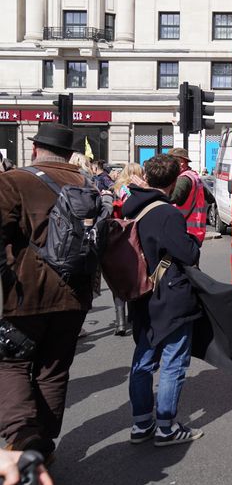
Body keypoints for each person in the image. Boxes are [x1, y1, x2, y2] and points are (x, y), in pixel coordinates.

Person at [0, 123, 94, 460]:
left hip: (26, 293)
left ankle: (22, 437)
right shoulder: (87, 182)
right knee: (54, 369)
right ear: (69, 154)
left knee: (11, 363)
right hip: (75, 293)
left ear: (36, 149)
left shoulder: (14, 181)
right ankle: (45, 445)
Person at [123, 154, 204, 447]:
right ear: (173, 183)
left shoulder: (132, 207)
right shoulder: (167, 213)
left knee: (143, 361)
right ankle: (166, 427)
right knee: (173, 363)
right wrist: (193, 241)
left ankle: (141, 422)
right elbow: (187, 254)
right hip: (170, 296)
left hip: (142, 294)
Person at [109, 163, 148, 336]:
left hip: (115, 236)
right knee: (134, 275)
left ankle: (120, 322)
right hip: (132, 234)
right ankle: (132, 315)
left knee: (118, 278)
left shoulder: (116, 189)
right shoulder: (133, 190)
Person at [168, 147, 208, 244]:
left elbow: (172, 198)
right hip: (195, 232)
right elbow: (209, 197)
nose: (168, 165)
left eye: (171, 162)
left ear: (181, 162)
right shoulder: (194, 176)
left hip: (184, 232)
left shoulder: (183, 179)